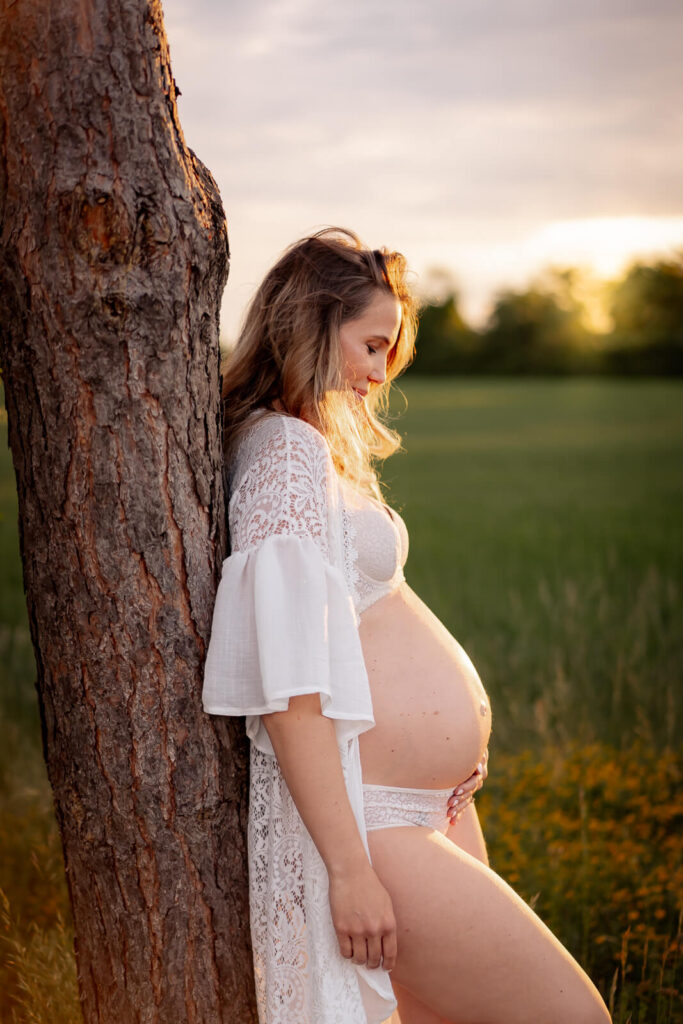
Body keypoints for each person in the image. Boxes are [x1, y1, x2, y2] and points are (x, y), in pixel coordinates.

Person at [202, 227, 611, 1024]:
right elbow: (291, 693)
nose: (380, 371)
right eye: (370, 344)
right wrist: (351, 872)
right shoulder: (285, 455)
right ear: (311, 325)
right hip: (376, 822)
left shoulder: (305, 448)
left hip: (424, 810)